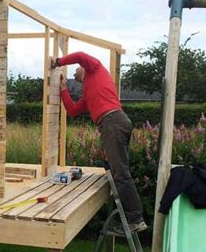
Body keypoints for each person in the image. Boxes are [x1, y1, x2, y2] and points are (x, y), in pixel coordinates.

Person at [50, 51, 147, 235]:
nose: (73, 72)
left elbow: (80, 55)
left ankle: (135, 219)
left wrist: (58, 62)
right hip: (112, 124)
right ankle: (133, 217)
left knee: (120, 173)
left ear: (84, 69)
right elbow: (72, 110)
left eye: (75, 69)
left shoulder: (95, 68)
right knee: (118, 170)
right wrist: (63, 89)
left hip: (113, 122)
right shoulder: (89, 90)